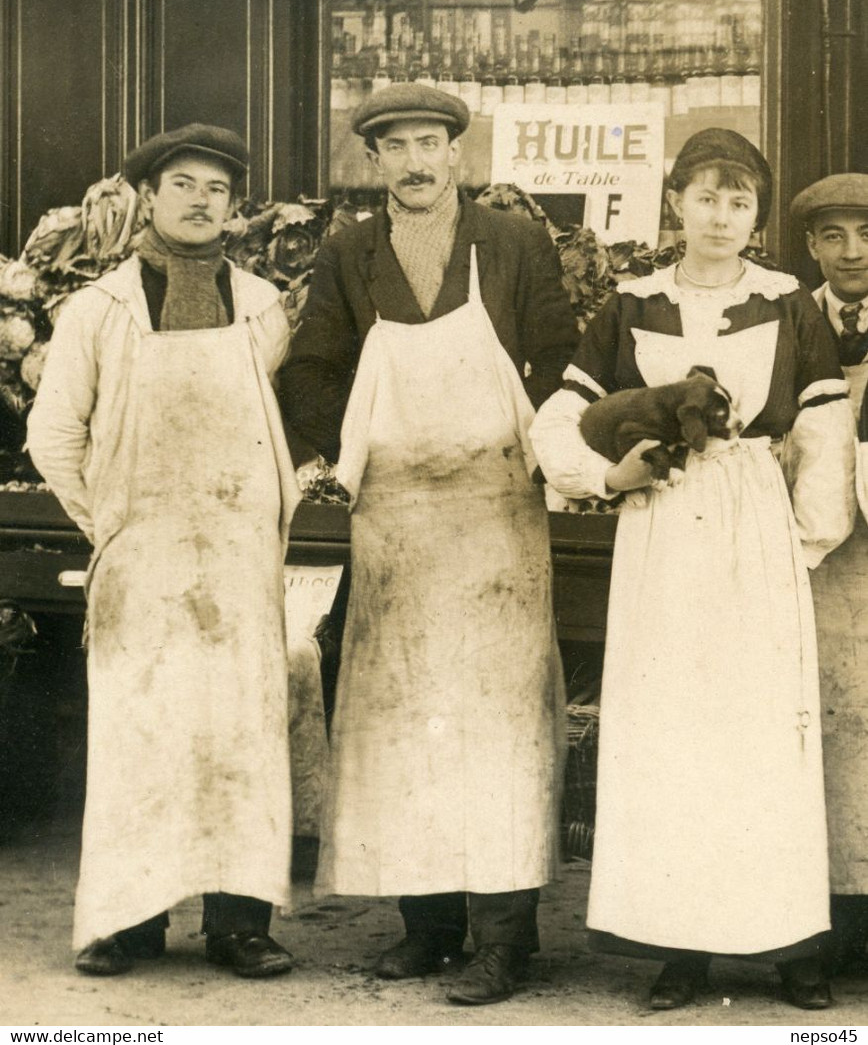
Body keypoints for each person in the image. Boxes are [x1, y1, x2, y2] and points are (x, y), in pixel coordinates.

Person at [530, 128, 855, 1011]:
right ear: (675, 202)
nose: (722, 216)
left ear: (756, 216)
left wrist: (804, 544)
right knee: (673, 734)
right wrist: (604, 476)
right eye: (706, 197)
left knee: (760, 735)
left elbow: (822, 430)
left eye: (740, 201)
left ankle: (790, 944)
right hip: (664, 529)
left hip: (757, 525)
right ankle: (683, 947)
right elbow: (558, 417)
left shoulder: (787, 302)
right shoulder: (631, 303)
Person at [278, 83, 576, 1005]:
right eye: (395, 147)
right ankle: (430, 927)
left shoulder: (517, 244)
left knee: (498, 729)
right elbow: (312, 372)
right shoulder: (348, 255)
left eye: (430, 144)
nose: (414, 161)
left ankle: (503, 939)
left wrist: (548, 449)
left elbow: (562, 361)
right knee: (403, 724)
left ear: (457, 153)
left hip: (497, 518)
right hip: (398, 522)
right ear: (374, 163)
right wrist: (362, 449)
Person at [28, 124, 300, 979]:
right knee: (140, 735)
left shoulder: (261, 306)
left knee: (241, 735)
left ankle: (240, 927)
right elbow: (54, 431)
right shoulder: (97, 308)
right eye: (181, 184)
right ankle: (130, 923)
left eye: (215, 190)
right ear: (148, 197)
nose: (198, 201)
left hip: (235, 557)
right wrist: (106, 520)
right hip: (139, 558)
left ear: (233, 209)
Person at [791, 174, 868, 974]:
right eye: (835, 236)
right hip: (806, 555)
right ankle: (822, 918)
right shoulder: (785, 320)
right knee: (819, 728)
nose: (853, 253)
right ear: (811, 246)